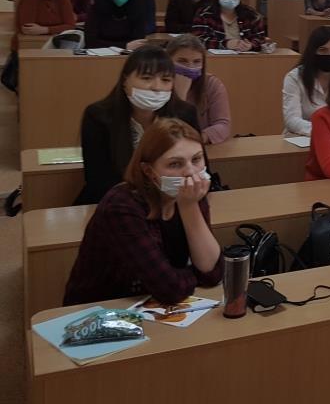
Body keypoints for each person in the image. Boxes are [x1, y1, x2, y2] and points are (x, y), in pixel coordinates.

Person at [63, 118, 222, 306]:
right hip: (102, 308)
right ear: (148, 171)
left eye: (196, 159)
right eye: (175, 164)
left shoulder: (191, 193)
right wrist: (194, 274)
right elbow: (170, 289)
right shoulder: (121, 207)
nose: (191, 172)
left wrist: (189, 206)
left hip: (152, 304)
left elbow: (212, 273)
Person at [77, 46, 203, 205]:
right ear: (125, 81)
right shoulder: (99, 116)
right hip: (117, 203)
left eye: (165, 80)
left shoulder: (185, 114)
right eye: (146, 78)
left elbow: (199, 168)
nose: (157, 87)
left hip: (174, 200)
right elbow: (98, 180)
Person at [166, 35, 232, 145]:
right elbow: (168, 129)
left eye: (197, 61)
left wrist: (199, 137)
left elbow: (223, 125)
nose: (190, 66)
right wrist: (181, 96)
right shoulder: (159, 84)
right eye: (182, 61)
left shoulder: (212, 84)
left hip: (200, 146)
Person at [282, 26, 330, 136]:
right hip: (301, 138)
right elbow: (291, 120)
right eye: (323, 50)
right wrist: (325, 130)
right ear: (312, 52)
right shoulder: (295, 77)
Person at [192, 0, 269, 51]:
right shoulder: (205, 14)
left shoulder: (251, 15)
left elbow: (261, 39)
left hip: (245, 57)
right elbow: (198, 40)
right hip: (215, 58)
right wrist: (226, 44)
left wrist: (250, 45)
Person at [84, 0, 148, 50]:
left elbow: (138, 42)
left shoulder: (137, 8)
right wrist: (124, 46)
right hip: (98, 55)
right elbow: (91, 42)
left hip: (128, 55)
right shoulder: (96, 8)